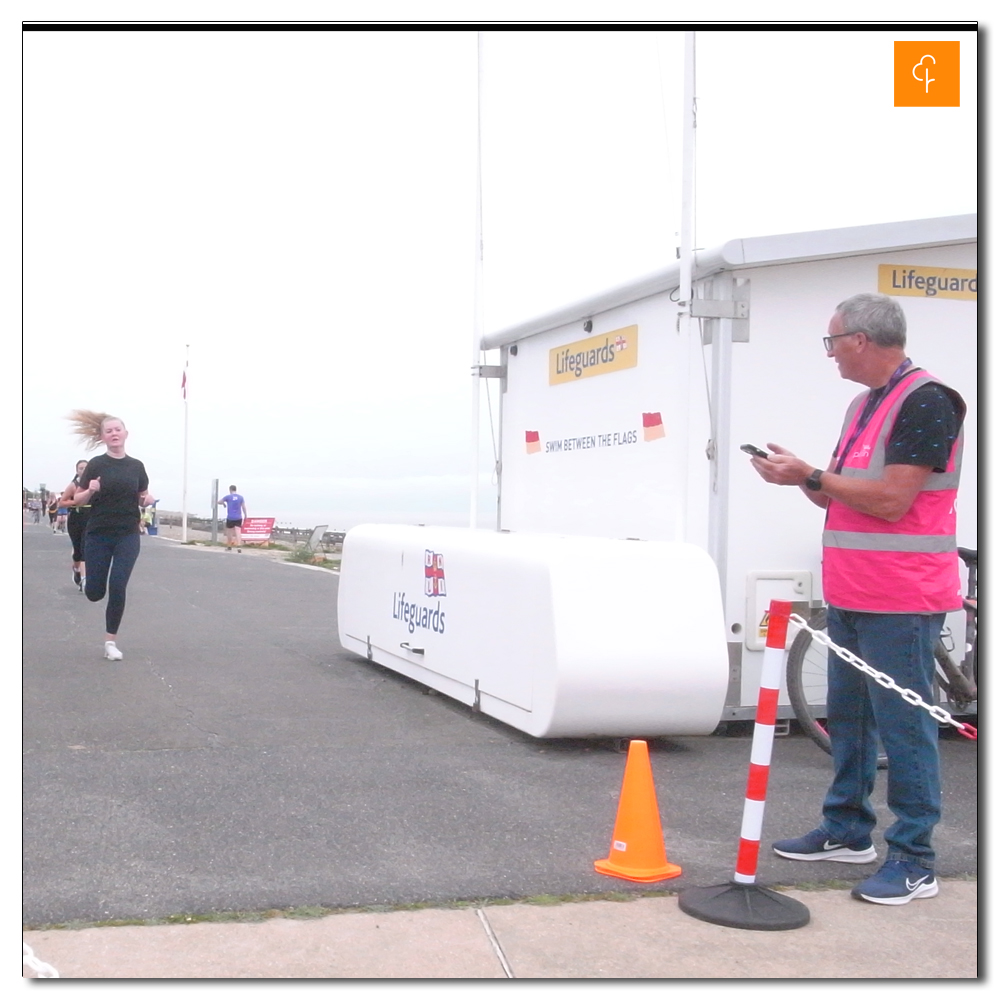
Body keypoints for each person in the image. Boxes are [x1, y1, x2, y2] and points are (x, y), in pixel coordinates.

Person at [749, 292, 965, 906]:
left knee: (906, 729)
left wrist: (812, 476)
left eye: (832, 341)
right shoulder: (863, 405)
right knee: (848, 718)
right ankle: (848, 830)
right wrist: (799, 477)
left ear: (862, 341)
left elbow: (892, 502)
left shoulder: (926, 400)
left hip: (902, 597)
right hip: (852, 591)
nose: (830, 354)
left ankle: (915, 858)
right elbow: (838, 497)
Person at [67, 411, 156, 661]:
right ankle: (85, 581)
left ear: (125, 434)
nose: (114, 433)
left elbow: (142, 494)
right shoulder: (96, 464)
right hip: (98, 534)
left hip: (127, 533)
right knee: (96, 593)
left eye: (118, 429)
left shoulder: (136, 466)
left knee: (118, 585)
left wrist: (146, 500)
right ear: (103, 437)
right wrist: (91, 490)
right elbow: (78, 499)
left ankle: (110, 643)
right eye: (109, 431)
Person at [59, 459, 92, 590]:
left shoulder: (94, 484)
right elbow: (62, 502)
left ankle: (85, 580)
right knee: (77, 550)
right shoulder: (73, 485)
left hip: (90, 518)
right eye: (81, 468)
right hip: (76, 518)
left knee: (86, 548)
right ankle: (77, 569)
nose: (83, 470)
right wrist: (76, 502)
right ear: (77, 471)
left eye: (86, 468)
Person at [218, 485, 247, 552]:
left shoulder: (228, 497)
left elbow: (219, 502)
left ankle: (229, 546)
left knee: (229, 532)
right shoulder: (240, 497)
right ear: (235, 489)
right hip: (238, 517)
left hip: (230, 517)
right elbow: (243, 507)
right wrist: (245, 515)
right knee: (238, 531)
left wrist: (223, 504)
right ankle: (239, 546)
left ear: (230, 490)